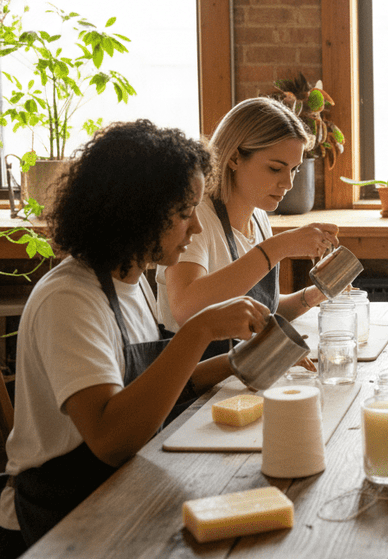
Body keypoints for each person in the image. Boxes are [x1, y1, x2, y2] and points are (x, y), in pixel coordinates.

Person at [0, 121, 271, 557]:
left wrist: (251, 358)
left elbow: (151, 387)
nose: (196, 230)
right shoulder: (70, 297)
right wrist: (202, 328)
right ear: (136, 212)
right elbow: (110, 438)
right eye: (185, 214)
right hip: (61, 521)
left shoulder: (130, 281)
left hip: (123, 491)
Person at [157, 98, 339, 354]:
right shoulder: (195, 218)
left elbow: (262, 310)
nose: (288, 183)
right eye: (276, 168)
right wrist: (279, 246)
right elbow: (187, 308)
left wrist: (314, 295)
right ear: (233, 158)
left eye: (294, 170)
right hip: (193, 380)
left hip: (242, 373)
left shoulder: (258, 216)